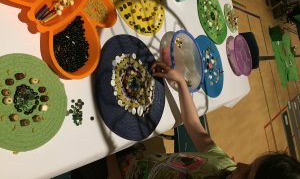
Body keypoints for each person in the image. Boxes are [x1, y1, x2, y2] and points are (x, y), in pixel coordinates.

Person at [107, 61, 300, 179]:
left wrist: (108, 156)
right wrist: (181, 83)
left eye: (247, 175)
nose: (239, 165)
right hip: (132, 159)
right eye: (250, 164)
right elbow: (194, 127)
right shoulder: (224, 166)